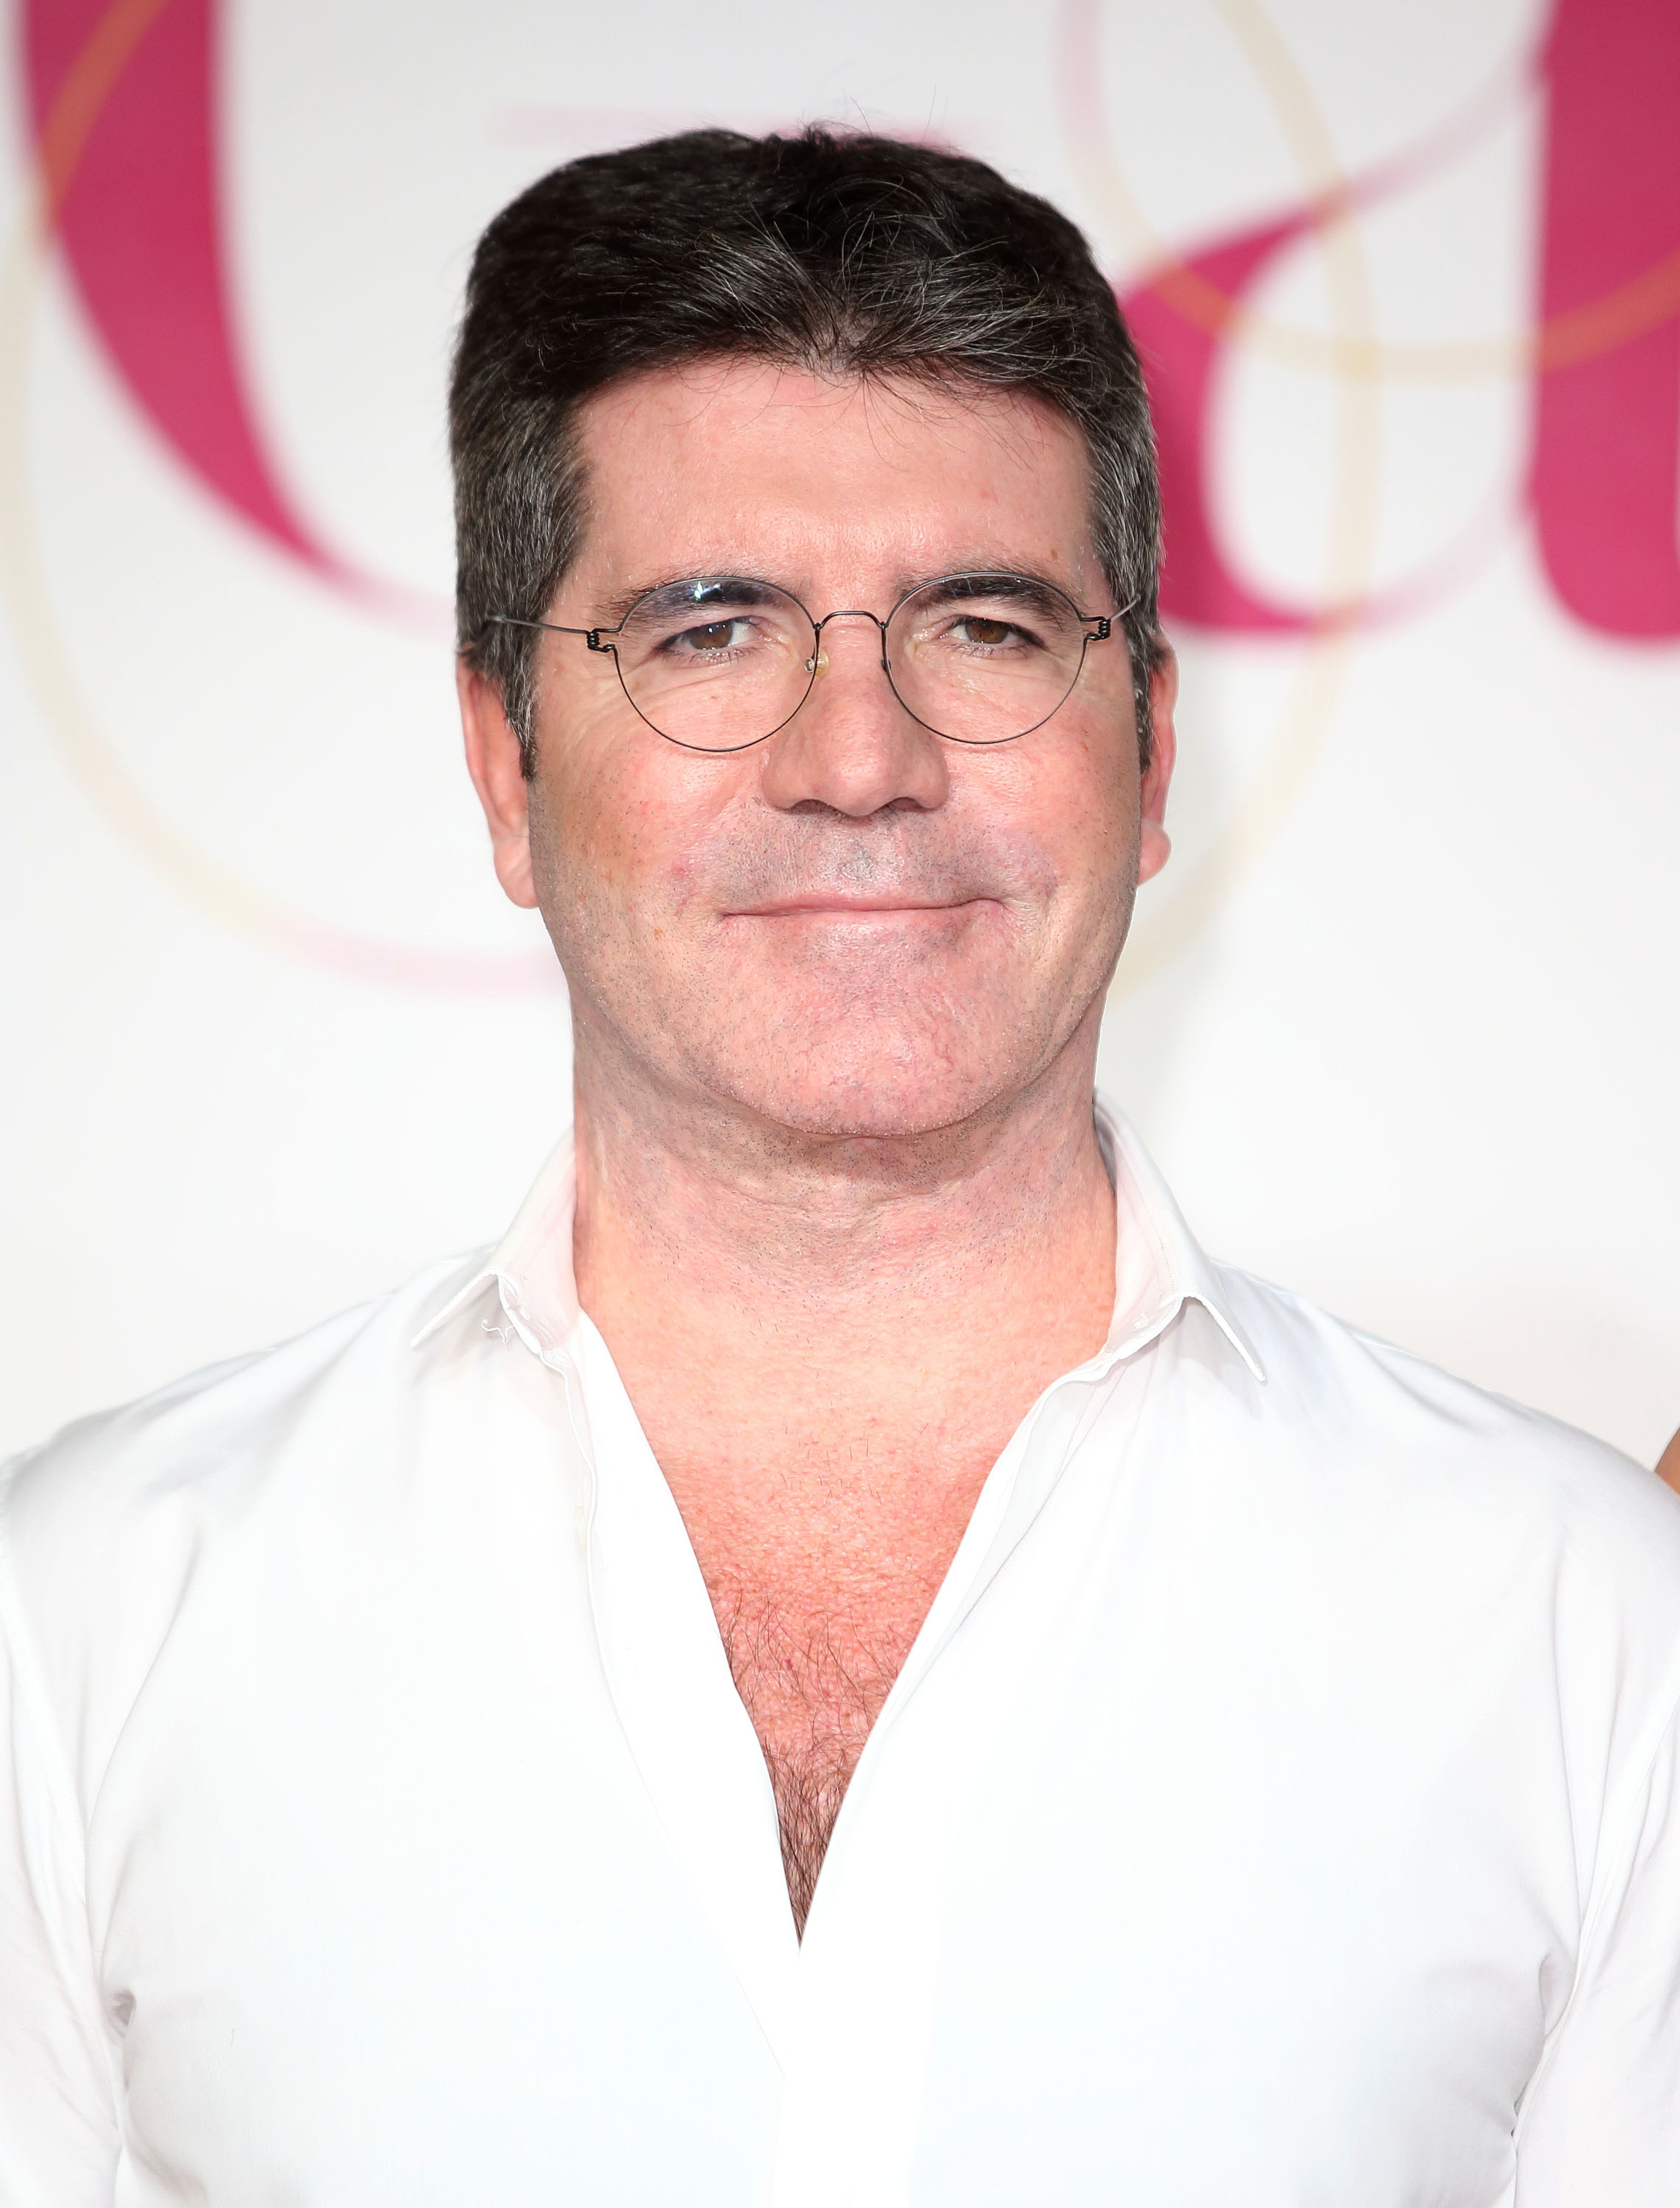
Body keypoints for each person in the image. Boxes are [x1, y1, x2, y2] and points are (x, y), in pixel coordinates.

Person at [2, 129, 1677, 2208]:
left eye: (982, 626)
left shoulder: (1586, 1625)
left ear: (1147, 757)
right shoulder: (79, 1617)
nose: (860, 755)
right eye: (710, 630)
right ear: (505, 770)